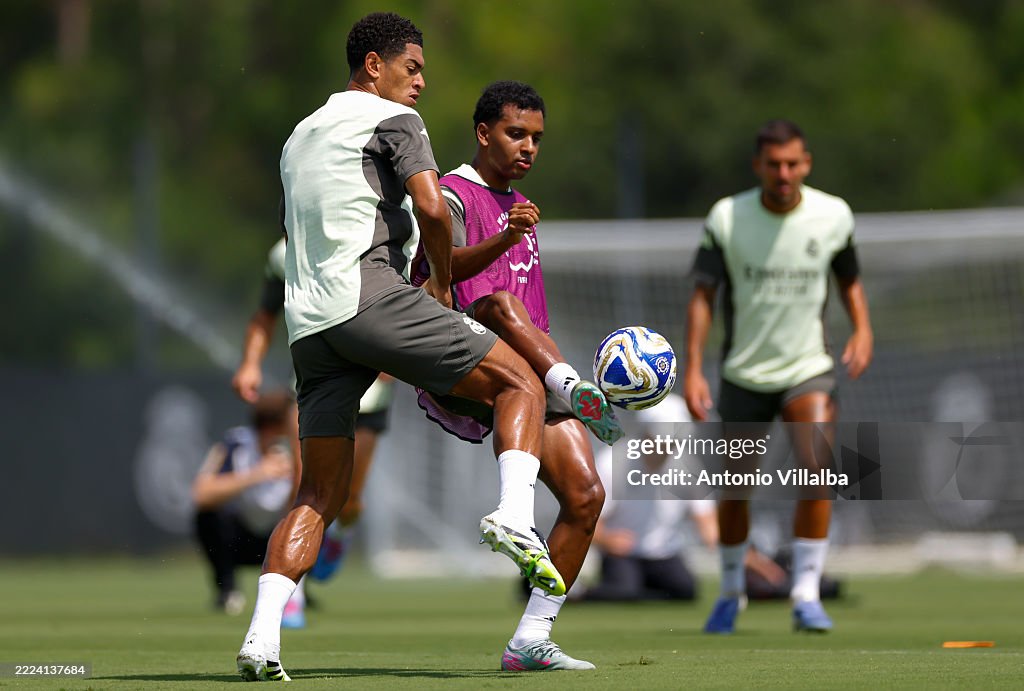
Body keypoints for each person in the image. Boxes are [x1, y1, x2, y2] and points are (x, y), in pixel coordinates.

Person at [237, 13, 562, 681]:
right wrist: (439, 284)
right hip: (373, 298)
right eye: (411, 66)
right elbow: (435, 208)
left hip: (311, 329)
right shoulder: (392, 120)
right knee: (521, 380)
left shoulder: (298, 138)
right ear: (372, 67)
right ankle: (513, 515)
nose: (420, 79)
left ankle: (262, 636)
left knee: (318, 493)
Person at [411, 80, 619, 671]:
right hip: (466, 352)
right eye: (515, 134)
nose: (528, 147)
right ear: (483, 133)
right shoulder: (451, 193)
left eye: (536, 138)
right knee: (501, 302)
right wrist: (506, 236)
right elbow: (440, 270)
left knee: (585, 498)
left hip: (529, 369)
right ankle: (572, 387)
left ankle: (531, 638)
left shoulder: (519, 206)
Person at [683, 119, 873, 634]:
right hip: (743, 373)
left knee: (817, 470)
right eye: (774, 165)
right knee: (735, 489)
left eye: (793, 164)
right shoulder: (727, 217)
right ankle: (729, 592)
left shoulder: (833, 215)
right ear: (758, 166)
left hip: (808, 368)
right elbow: (703, 297)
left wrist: (863, 329)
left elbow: (850, 280)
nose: (784, 173)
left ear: (806, 163)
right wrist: (694, 368)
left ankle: (806, 594)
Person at [231, 236, 394, 582]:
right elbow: (264, 316)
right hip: (313, 387)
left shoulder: (369, 232)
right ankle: (292, 592)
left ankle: (339, 532)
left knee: (347, 501)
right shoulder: (281, 255)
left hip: (370, 395)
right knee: (304, 489)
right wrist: (250, 364)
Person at [582, 394, 717, 602]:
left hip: (664, 554)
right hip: (623, 554)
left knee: (684, 590)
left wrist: (739, 552)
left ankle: (642, 593)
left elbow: (708, 523)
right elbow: (588, 520)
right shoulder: (612, 462)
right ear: (647, 432)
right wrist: (608, 540)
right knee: (623, 591)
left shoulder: (688, 466)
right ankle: (578, 593)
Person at [192, 391, 306, 625]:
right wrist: (256, 474)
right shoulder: (237, 444)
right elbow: (201, 494)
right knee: (209, 516)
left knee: (311, 519)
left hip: (281, 537)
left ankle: (298, 591)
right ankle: (228, 590)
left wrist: (297, 467)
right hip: (244, 539)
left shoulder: (302, 449)